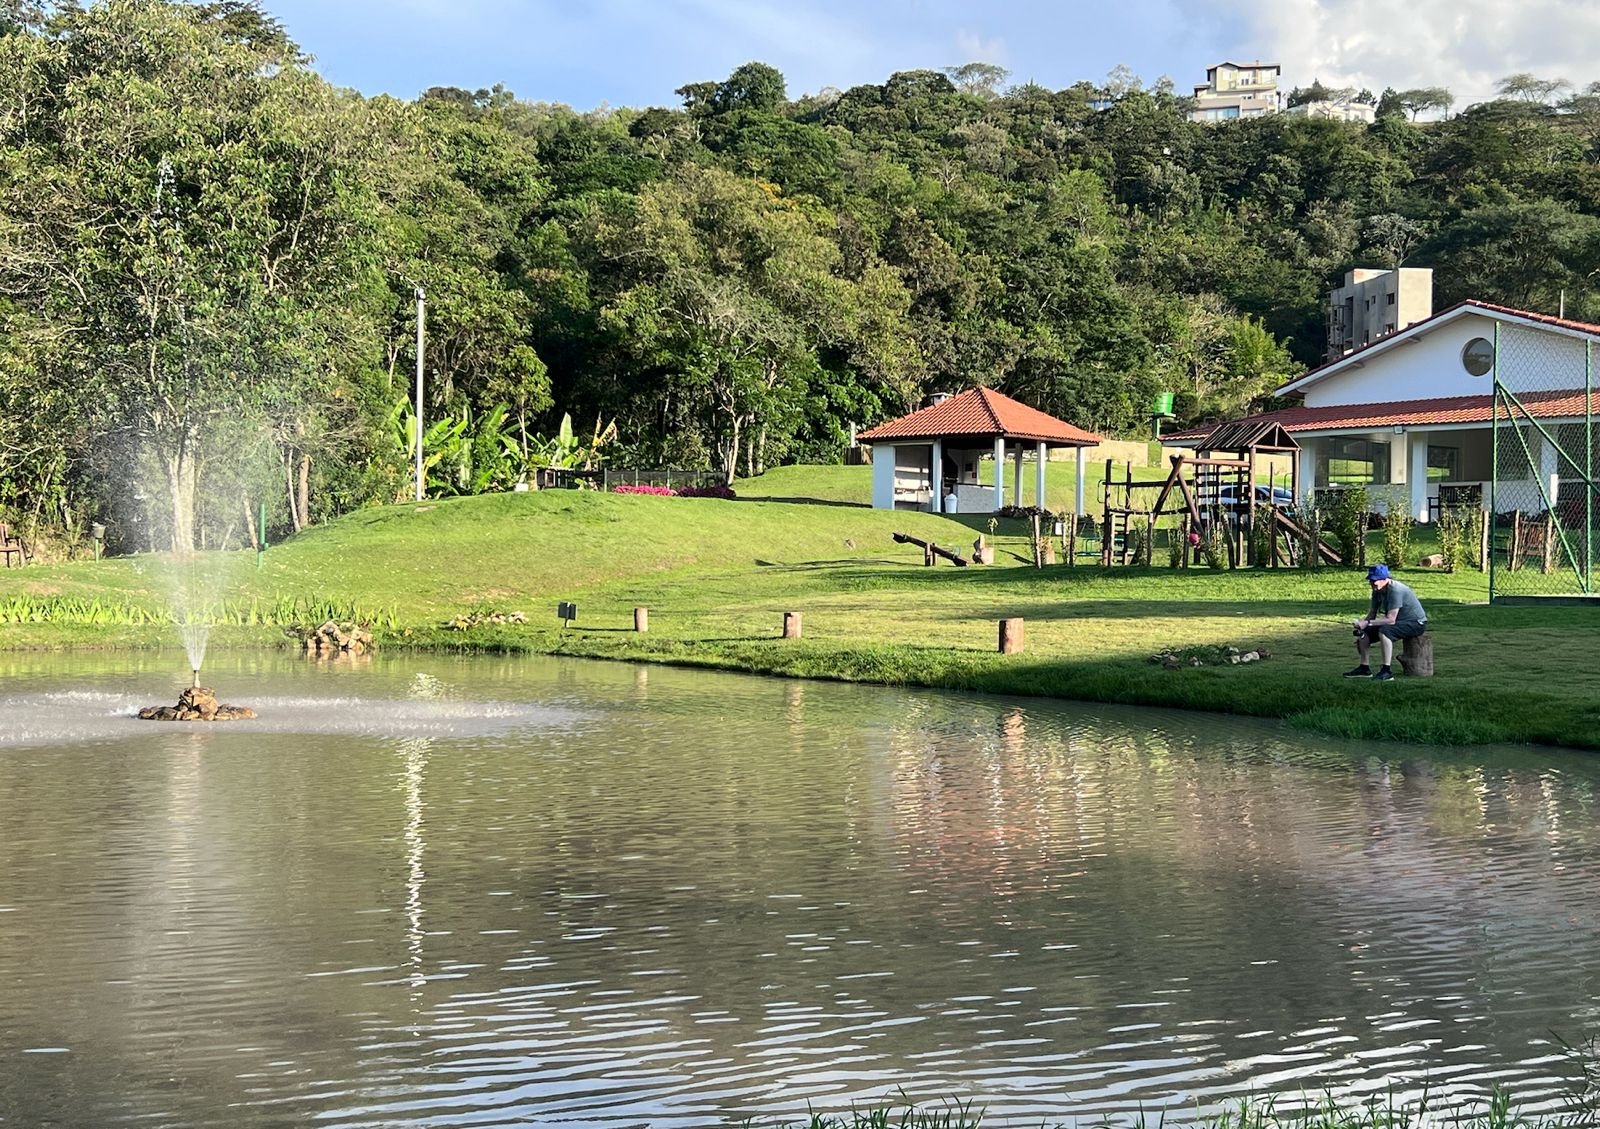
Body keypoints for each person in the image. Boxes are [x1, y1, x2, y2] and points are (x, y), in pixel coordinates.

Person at [1346, 564, 1427, 682]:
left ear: (1385, 579)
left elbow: (1391, 619)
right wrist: (1362, 624)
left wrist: (1367, 622)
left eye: (1375, 581)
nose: (1373, 584)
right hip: (1398, 622)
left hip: (1416, 623)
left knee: (1385, 631)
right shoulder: (1376, 591)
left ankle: (1386, 671)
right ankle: (1364, 668)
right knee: (1363, 634)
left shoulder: (1396, 590)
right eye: (1371, 581)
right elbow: (1372, 614)